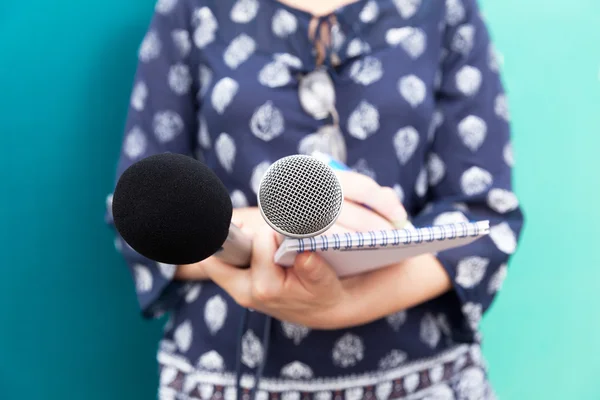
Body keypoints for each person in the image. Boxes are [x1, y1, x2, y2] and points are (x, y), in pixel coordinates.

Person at [105, 0, 524, 398]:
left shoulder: (444, 9)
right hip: (225, 376)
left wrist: (344, 305)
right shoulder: (192, 8)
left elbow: (486, 217)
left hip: (422, 378)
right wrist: (266, 230)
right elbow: (140, 209)